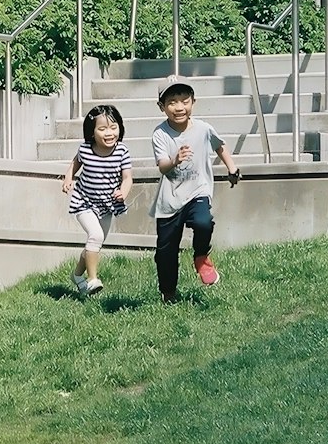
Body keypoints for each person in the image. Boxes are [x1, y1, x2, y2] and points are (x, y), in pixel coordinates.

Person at [150, 76, 240, 304]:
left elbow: (219, 146)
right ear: (162, 107)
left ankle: (201, 257)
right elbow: (162, 167)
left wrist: (232, 168)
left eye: (184, 100)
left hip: (198, 191)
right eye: (172, 102)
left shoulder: (203, 128)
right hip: (170, 201)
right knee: (165, 253)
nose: (179, 107)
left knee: (203, 221)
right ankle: (169, 293)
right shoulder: (160, 134)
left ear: (193, 102)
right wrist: (175, 160)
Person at [62, 104, 133, 295]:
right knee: (96, 237)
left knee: (94, 243)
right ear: (92, 133)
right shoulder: (85, 149)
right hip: (84, 202)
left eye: (113, 127)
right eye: (102, 129)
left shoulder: (122, 151)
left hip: (108, 205)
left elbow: (128, 178)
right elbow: (75, 162)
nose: (109, 133)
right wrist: (69, 177)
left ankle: (77, 275)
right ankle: (93, 279)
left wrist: (123, 192)